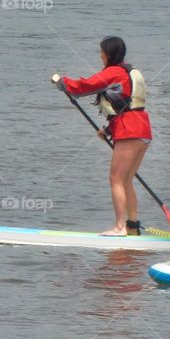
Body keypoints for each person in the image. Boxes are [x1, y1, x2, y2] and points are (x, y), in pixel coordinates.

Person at [51, 36, 151, 236]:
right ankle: (132, 228)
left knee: (115, 179)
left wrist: (63, 82)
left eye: (102, 52)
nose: (100, 55)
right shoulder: (131, 71)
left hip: (129, 130)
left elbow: (84, 87)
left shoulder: (114, 72)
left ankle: (119, 227)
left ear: (109, 53)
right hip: (142, 130)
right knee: (127, 179)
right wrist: (109, 129)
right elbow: (127, 105)